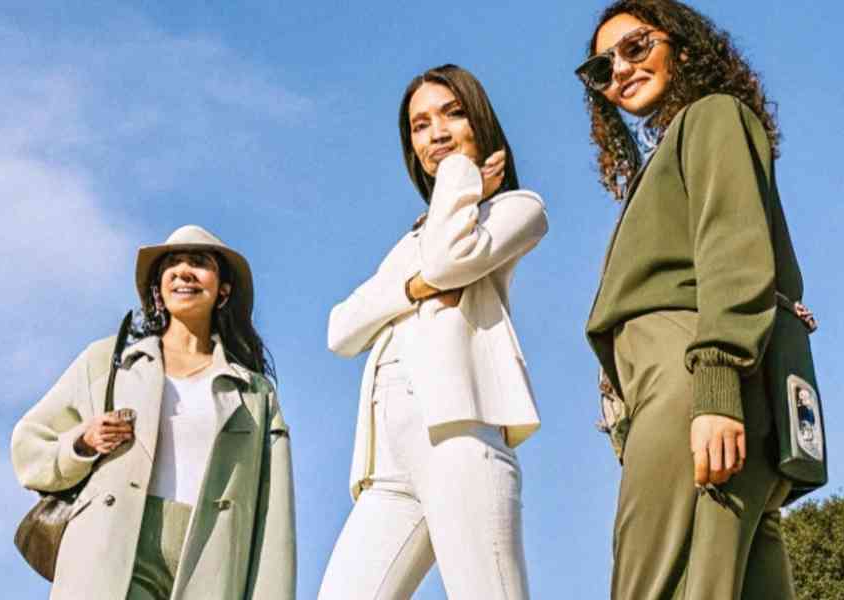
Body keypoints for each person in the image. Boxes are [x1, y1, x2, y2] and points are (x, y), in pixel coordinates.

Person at [575, 1, 809, 598]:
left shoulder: (712, 116)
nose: (620, 71)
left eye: (635, 47)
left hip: (688, 381)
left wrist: (716, 388)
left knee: (650, 586)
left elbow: (733, 251)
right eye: (601, 68)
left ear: (681, 43)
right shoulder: (679, 144)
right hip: (705, 388)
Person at [320, 64, 547, 600]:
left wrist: (461, 178)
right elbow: (341, 328)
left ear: (481, 122)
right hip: (388, 463)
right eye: (420, 125)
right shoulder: (413, 239)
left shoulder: (517, 209)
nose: (437, 133)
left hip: (460, 434)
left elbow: (449, 260)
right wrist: (415, 286)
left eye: (452, 113)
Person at [11, 225, 295, 600]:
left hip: (214, 560)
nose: (183, 271)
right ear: (158, 289)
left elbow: (273, 518)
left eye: (199, 262)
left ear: (223, 290)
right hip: (118, 549)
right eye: (172, 264)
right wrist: (83, 441)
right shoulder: (109, 363)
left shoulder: (254, 393)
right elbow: (30, 445)